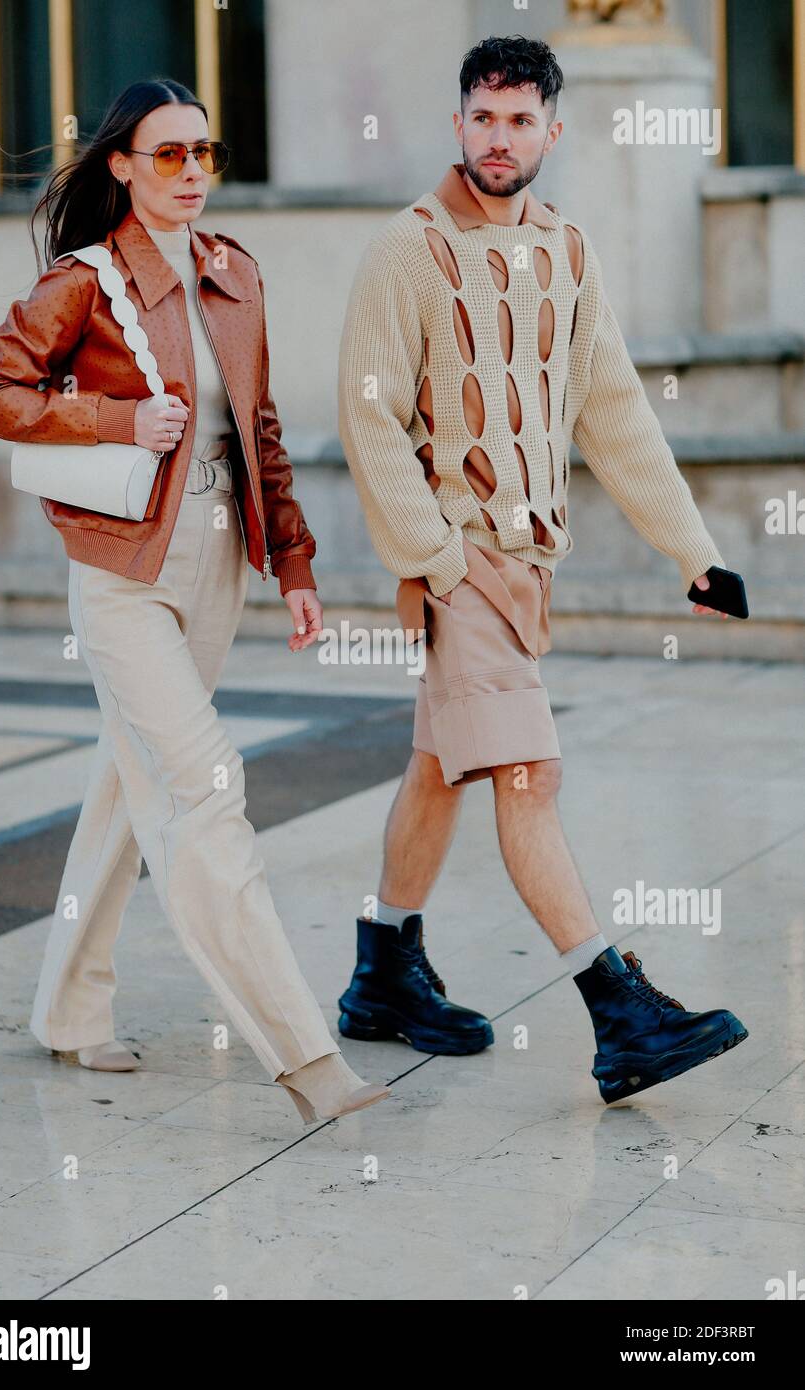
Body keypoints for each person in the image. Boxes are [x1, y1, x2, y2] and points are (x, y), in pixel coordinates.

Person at [0, 78, 388, 1126]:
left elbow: (262, 428)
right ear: (120, 165)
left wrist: (290, 563)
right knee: (203, 788)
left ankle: (67, 1008)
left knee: (128, 781)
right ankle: (305, 1060)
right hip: (121, 568)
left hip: (213, 562)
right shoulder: (86, 280)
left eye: (206, 151)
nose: (193, 171)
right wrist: (111, 418)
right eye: (169, 154)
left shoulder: (233, 271)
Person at [336, 36, 748, 1102]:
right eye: (482, 116)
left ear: (549, 131)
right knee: (530, 773)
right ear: (457, 122)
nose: (498, 137)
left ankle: (380, 973)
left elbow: (612, 412)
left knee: (440, 768)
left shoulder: (565, 252)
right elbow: (370, 414)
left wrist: (691, 551)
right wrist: (432, 558)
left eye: (519, 120)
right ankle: (618, 1013)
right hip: (457, 563)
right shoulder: (407, 251)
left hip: (530, 568)